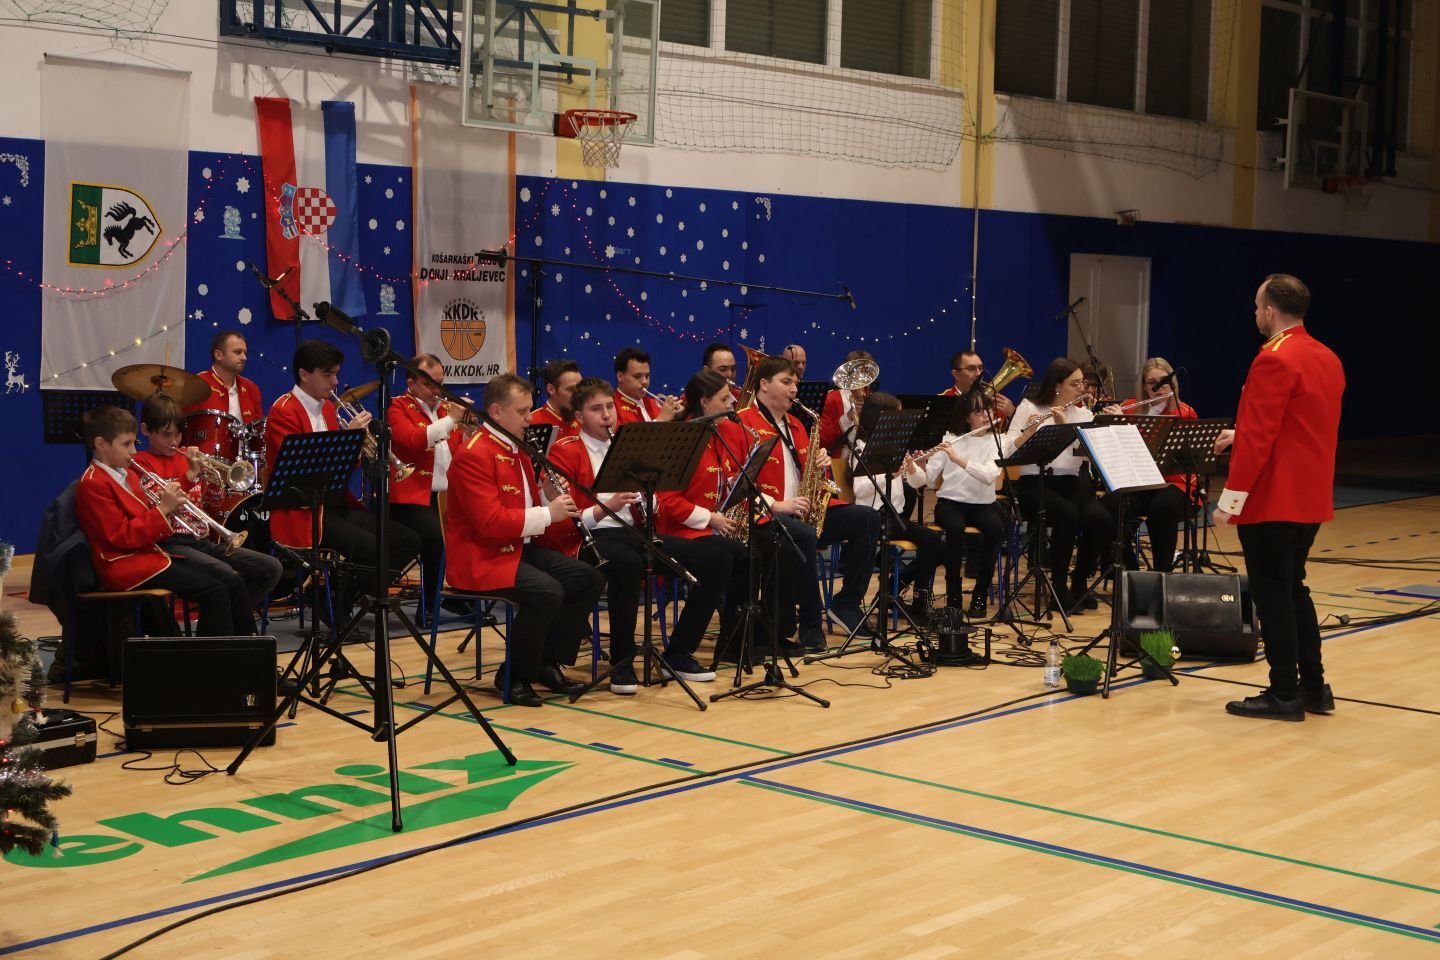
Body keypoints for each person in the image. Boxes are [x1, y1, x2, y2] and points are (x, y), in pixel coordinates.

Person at [544, 377, 740, 694]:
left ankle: (678, 652)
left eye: (609, 406)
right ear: (579, 417)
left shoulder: (628, 445)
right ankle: (622, 662)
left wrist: (651, 498)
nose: (607, 414)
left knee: (717, 557)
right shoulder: (566, 451)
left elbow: (655, 502)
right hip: (588, 538)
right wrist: (607, 507)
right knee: (628, 563)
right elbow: (564, 521)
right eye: (596, 409)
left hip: (633, 534)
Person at [1214, 275, 1344, 721]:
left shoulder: (1274, 359)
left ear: (1269, 311)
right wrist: (1241, 433)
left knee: (1273, 596)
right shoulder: (1326, 356)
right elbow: (1300, 426)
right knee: (1295, 590)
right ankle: (1314, 687)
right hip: (1310, 497)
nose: (1255, 314)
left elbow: (1262, 440)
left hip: (1273, 499)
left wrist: (1230, 501)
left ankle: (1283, 693)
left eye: (1256, 307)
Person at [444, 373, 605, 707]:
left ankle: (547, 661)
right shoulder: (474, 454)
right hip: (481, 558)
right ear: (497, 412)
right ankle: (514, 675)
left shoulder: (515, 448)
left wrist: (546, 498)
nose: (531, 419)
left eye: (530, 410)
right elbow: (489, 524)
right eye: (523, 412)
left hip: (516, 548)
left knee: (587, 577)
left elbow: (523, 509)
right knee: (546, 592)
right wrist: (550, 515)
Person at [75, 406, 277, 637]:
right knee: (217, 588)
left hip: (149, 553)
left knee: (228, 582)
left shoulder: (125, 474)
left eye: (134, 444)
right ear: (101, 444)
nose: (132, 451)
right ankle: (219, 657)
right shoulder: (93, 483)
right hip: (123, 564)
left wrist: (173, 503)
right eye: (126, 444)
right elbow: (121, 536)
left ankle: (245, 650)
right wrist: (163, 509)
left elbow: (147, 518)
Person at [264, 339, 421, 626]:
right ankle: (335, 601)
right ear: (304, 374)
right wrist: (349, 439)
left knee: (406, 540)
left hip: (332, 503)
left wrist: (357, 446)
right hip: (301, 510)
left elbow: (340, 468)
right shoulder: (283, 410)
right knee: (369, 549)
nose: (335, 382)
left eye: (336, 373)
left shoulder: (326, 409)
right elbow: (303, 471)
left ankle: (338, 597)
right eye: (328, 374)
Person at [739, 356, 881, 651]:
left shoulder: (798, 425)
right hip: (766, 516)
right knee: (802, 536)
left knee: (868, 518)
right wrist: (778, 504)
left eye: (796, 383)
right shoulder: (744, 422)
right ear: (764, 385)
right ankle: (810, 623)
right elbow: (737, 483)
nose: (794, 389)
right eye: (786, 382)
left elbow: (810, 477)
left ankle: (847, 603)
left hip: (804, 510)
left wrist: (822, 466)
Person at [131, 394, 283, 632]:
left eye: (178, 434)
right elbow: (162, 506)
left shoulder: (187, 459)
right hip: (169, 543)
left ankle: (222, 623)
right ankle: (232, 636)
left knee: (270, 568)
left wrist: (214, 482)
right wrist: (190, 477)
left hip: (200, 540)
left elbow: (210, 505)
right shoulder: (140, 463)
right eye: (165, 434)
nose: (173, 441)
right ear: (146, 430)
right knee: (225, 575)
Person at [909, 394, 1036, 619]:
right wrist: (915, 466)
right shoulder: (950, 439)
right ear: (967, 418)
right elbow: (927, 480)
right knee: (955, 530)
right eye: (979, 412)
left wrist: (958, 459)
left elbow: (988, 476)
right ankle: (953, 594)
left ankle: (980, 594)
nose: (987, 415)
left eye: (988, 410)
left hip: (983, 505)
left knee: (995, 530)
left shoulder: (997, 441)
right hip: (950, 503)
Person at [1006, 358, 1112, 614]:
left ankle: (1079, 582)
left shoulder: (1083, 413)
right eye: (1075, 384)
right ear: (1057, 386)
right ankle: (1058, 587)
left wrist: (1072, 427)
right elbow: (1008, 450)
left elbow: (1091, 455)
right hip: (1036, 483)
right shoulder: (1029, 407)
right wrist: (1029, 432)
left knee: (1101, 519)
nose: (1082, 389)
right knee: (1067, 514)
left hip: (1071, 482)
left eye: (1082, 383)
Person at [665, 369, 755, 658]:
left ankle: (733, 642)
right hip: (679, 530)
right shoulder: (680, 439)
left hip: (708, 527)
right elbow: (667, 500)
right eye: (725, 398)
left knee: (752, 555)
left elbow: (721, 479)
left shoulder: (718, 432)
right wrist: (710, 518)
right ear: (704, 403)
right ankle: (680, 650)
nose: (732, 404)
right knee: (723, 559)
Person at [842, 392, 946, 624]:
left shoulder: (894, 445)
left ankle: (899, 591)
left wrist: (912, 467)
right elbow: (860, 489)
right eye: (896, 416)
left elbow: (921, 484)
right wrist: (888, 474)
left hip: (895, 517)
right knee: (930, 542)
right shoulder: (860, 448)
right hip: (872, 519)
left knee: (937, 545)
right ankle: (893, 593)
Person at [387, 355, 472, 615]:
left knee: (476, 528)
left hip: (449, 495)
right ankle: (429, 605)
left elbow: (459, 451)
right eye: (430, 384)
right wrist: (451, 421)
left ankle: (460, 592)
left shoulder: (447, 409)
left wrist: (469, 433)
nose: (438, 391)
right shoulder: (396, 407)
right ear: (411, 383)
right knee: (436, 539)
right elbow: (413, 440)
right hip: (411, 499)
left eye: (440, 383)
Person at [1101, 358, 1200, 573]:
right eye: (1151, 383)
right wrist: (1116, 423)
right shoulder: (1128, 408)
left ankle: (1161, 575)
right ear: (1144, 387)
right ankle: (1130, 571)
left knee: (1162, 508)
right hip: (1142, 481)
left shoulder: (1184, 413)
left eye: (1164, 382)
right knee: (1109, 507)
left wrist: (1126, 424)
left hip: (1175, 482)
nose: (1158, 388)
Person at [185, 330, 265, 424]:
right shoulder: (196, 384)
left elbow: (258, 431)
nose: (244, 358)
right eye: (238, 352)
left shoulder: (252, 389)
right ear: (218, 355)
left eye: (245, 353)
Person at [818, 348, 874, 456]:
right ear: (848, 374)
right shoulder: (831, 398)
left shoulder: (873, 399)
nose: (862, 378)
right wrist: (848, 417)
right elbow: (822, 439)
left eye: (866, 372)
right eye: (858, 372)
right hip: (838, 462)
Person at [613, 346, 683, 424]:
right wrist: (660, 420)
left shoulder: (655, 404)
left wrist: (679, 418)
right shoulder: (611, 407)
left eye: (647, 376)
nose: (645, 381)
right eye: (637, 376)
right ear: (620, 376)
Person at [942, 349, 1015, 421]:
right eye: (971, 368)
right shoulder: (943, 402)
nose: (978, 373)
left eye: (980, 368)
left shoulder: (993, 401)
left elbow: (1005, 431)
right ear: (956, 374)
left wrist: (1013, 414)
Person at [529, 358, 582, 440]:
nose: (578, 394)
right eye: (570, 389)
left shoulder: (584, 419)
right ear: (551, 389)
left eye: (579, 388)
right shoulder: (532, 422)